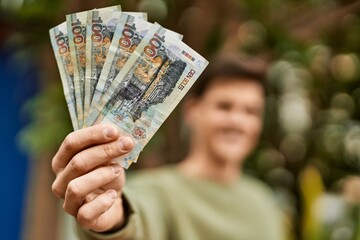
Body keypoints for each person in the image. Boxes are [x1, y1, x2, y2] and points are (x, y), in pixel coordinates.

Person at [51, 54, 285, 240]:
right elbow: (138, 219)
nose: (238, 122)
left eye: (251, 111)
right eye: (224, 107)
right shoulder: (157, 190)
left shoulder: (263, 200)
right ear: (193, 111)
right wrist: (113, 221)